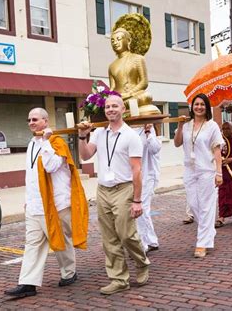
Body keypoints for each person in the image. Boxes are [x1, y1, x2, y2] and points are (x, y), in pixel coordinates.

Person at [4, 108, 88, 298]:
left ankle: (69, 272)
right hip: (35, 205)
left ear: (46, 121)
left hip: (57, 204)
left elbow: (50, 167)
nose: (31, 122)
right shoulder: (32, 143)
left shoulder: (57, 143)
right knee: (33, 243)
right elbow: (31, 176)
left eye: (35, 119)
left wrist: (46, 142)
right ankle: (28, 283)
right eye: (29, 120)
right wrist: (28, 200)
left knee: (62, 241)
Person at [78, 95, 150, 295]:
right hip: (103, 190)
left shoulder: (131, 136)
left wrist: (137, 200)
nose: (110, 109)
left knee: (127, 235)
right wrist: (83, 136)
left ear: (123, 109)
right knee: (109, 238)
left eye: (114, 106)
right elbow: (85, 155)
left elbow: (137, 171)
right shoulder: (99, 133)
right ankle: (119, 279)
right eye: (108, 106)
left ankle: (142, 262)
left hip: (124, 188)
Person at [174, 93, 224, 258]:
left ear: (207, 107)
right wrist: (180, 126)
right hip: (190, 170)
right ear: (192, 107)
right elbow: (177, 143)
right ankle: (209, 232)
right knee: (194, 205)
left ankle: (202, 243)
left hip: (206, 170)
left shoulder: (212, 126)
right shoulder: (187, 125)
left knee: (206, 206)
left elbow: (217, 150)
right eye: (196, 104)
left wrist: (219, 173)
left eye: (202, 104)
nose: (199, 107)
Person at [108, 28, 160, 116]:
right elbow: (112, 88)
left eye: (118, 39)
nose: (115, 43)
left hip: (133, 95)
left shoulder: (138, 58)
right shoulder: (111, 66)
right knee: (109, 105)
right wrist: (107, 98)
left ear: (128, 41)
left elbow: (144, 82)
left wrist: (129, 93)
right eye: (112, 41)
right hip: (120, 98)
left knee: (146, 96)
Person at [133, 124, 161, 253]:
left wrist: (148, 132)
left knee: (141, 208)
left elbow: (155, 149)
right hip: (131, 175)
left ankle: (142, 245)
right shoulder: (124, 128)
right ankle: (152, 240)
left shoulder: (148, 127)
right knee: (143, 209)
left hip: (147, 174)